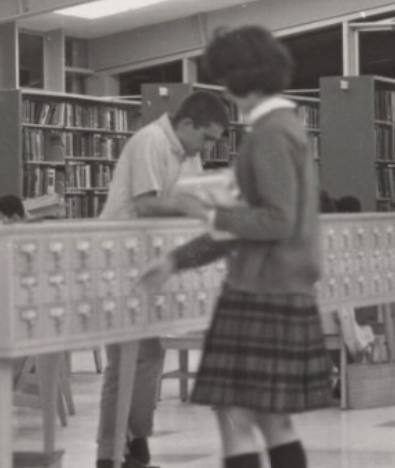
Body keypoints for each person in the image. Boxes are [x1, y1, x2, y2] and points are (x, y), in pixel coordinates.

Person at [139, 26, 328, 468]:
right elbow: (249, 224)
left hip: (262, 291)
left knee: (235, 415)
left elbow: (273, 222)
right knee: (267, 419)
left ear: (240, 78)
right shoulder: (286, 128)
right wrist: (175, 259)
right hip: (279, 288)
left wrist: (205, 210)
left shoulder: (269, 135)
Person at [95, 90, 230, 468]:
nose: (205, 147)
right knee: (129, 358)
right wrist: (195, 206)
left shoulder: (188, 153)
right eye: (205, 138)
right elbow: (147, 202)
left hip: (148, 261)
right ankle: (116, 449)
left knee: (145, 355)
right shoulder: (150, 141)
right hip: (117, 261)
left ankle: (130, 443)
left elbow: (187, 204)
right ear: (186, 123)